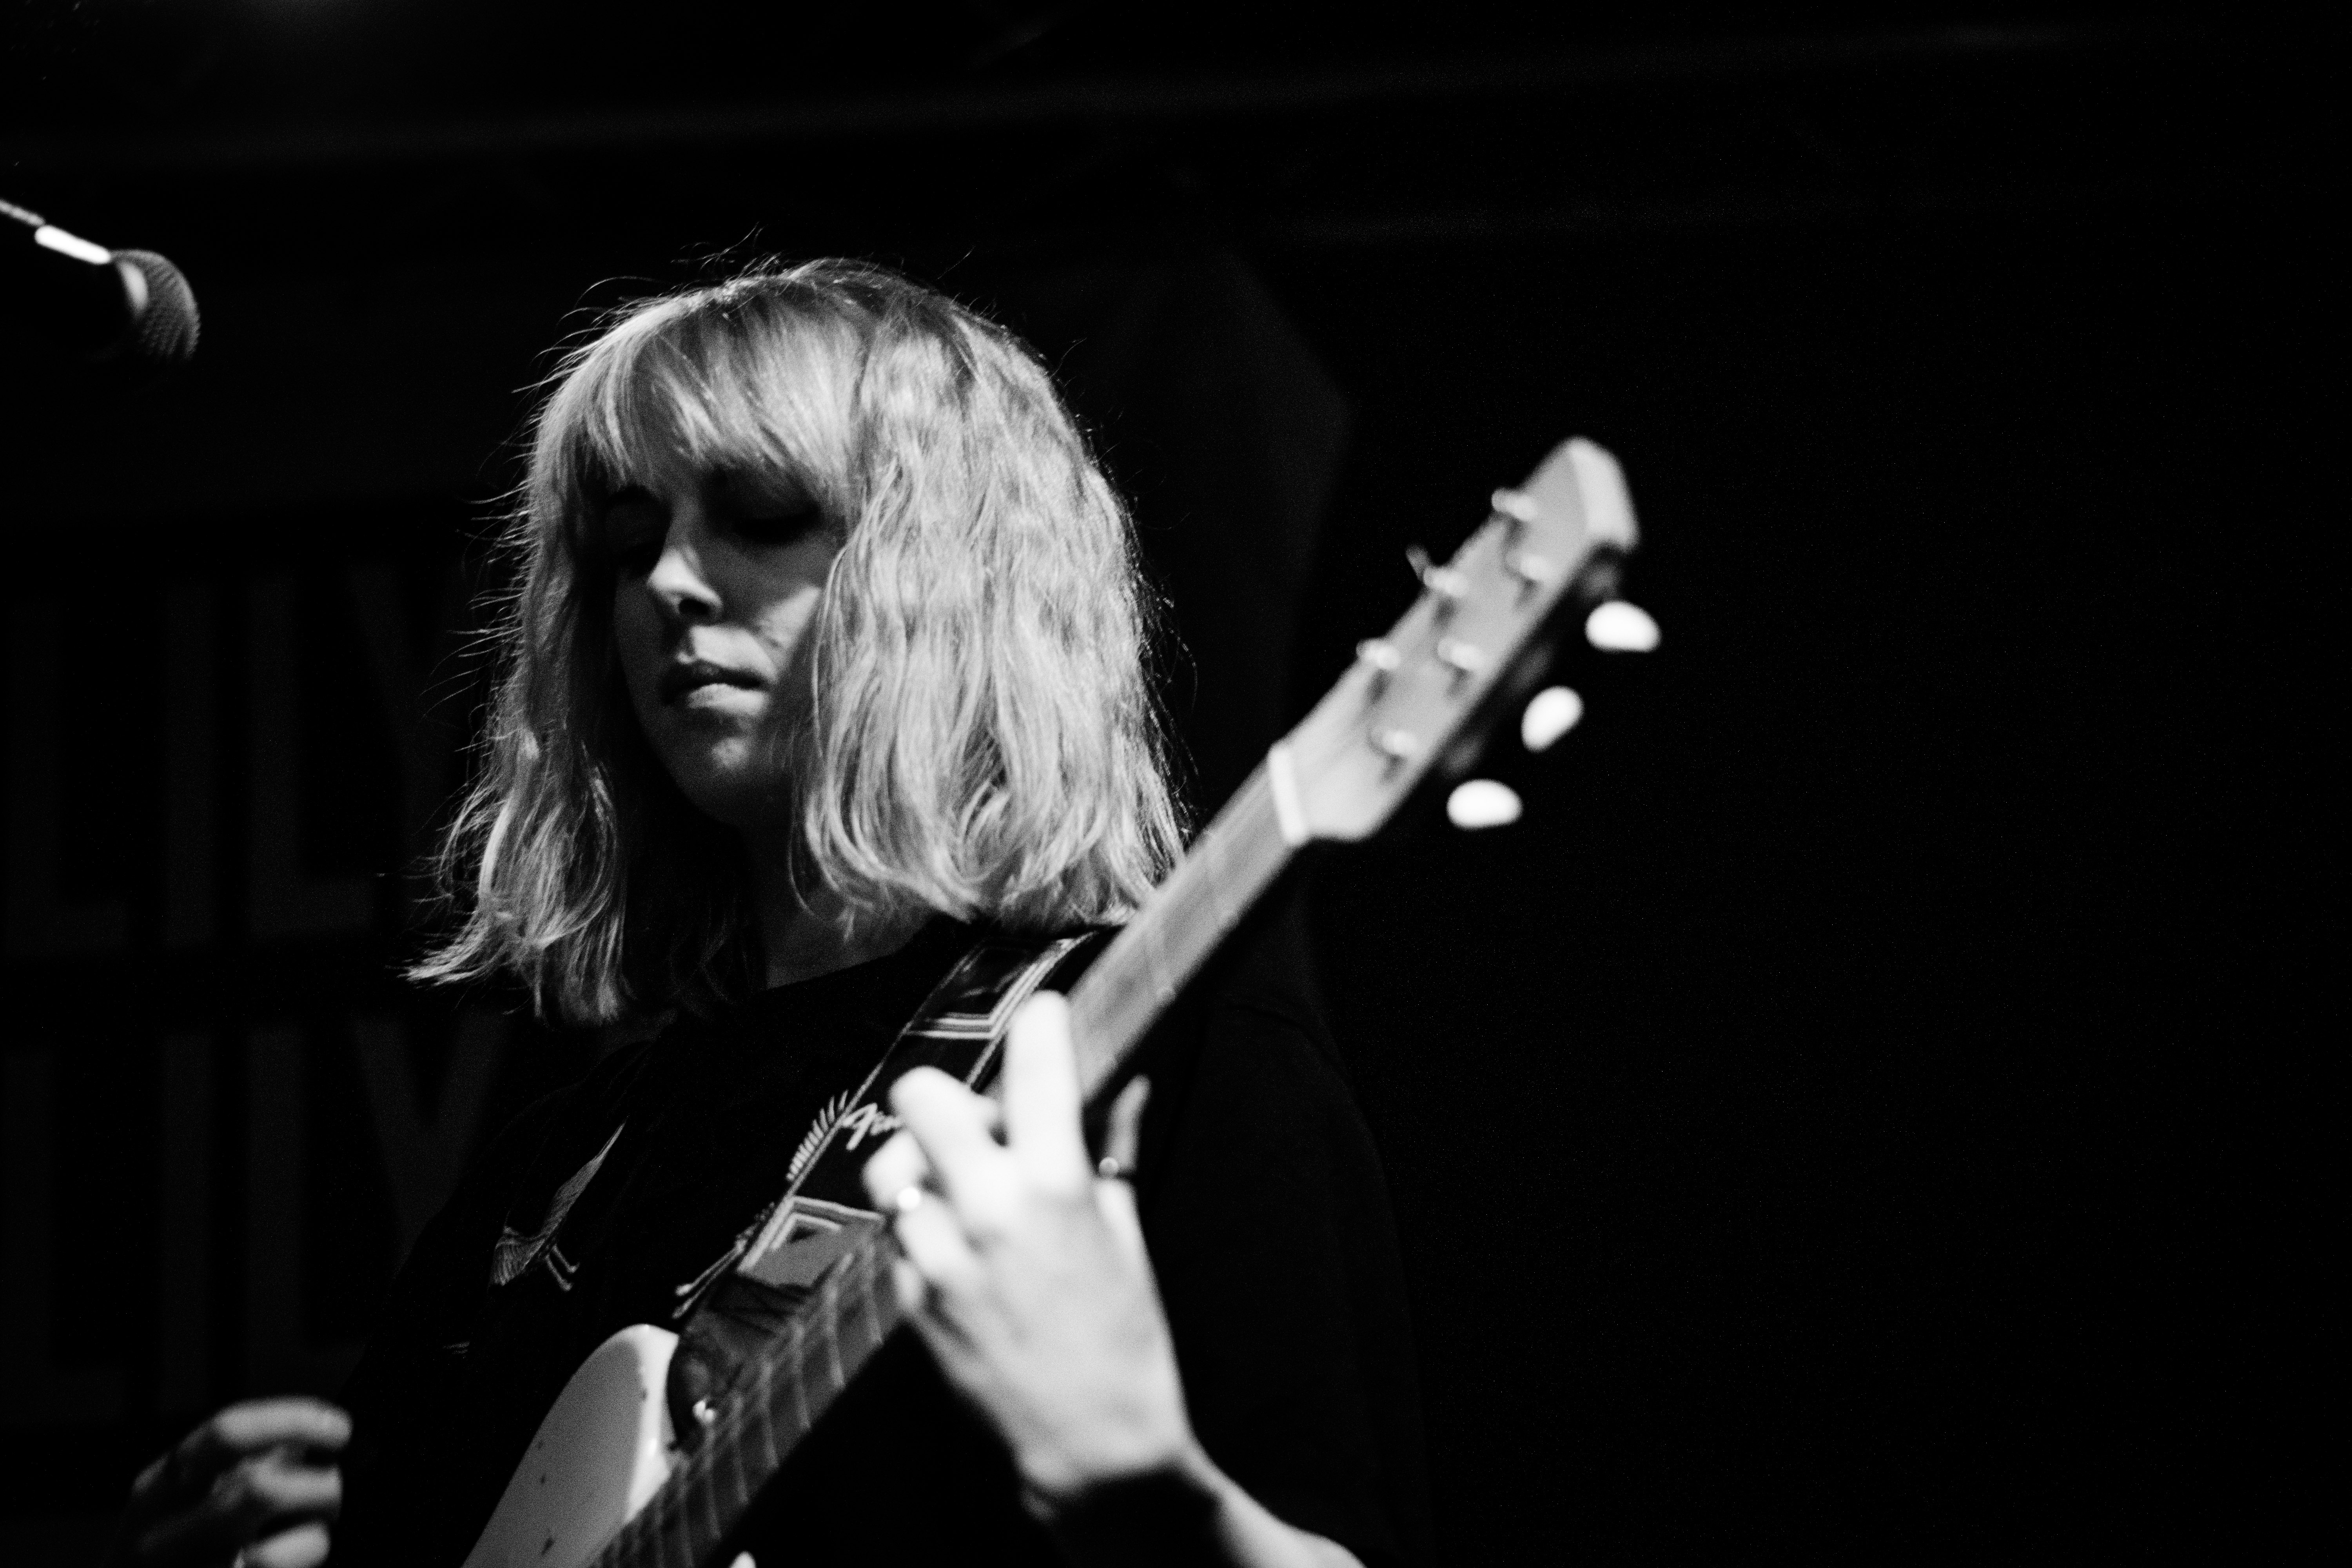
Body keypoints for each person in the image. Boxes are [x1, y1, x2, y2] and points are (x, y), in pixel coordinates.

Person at [106, 261, 1427, 1567]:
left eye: (760, 515)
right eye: (630, 543)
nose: (670, 584)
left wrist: (1159, 1496)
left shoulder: (1162, 1057)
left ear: (947, 575)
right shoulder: (562, 1171)